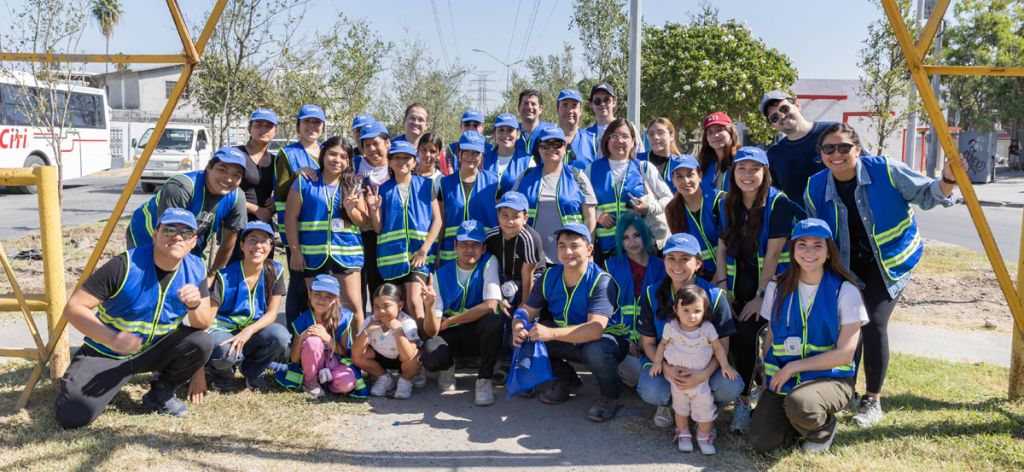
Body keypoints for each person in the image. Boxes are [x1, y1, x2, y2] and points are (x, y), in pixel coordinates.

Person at [804, 123, 960, 428]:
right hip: (846, 264)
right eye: (829, 149)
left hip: (888, 262)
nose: (837, 154)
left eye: (844, 147)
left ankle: (872, 400)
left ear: (858, 149)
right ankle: (843, 389)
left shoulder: (887, 170)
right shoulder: (814, 187)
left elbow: (928, 195)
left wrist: (948, 179)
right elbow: (818, 234)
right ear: (821, 154)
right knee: (847, 324)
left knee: (873, 323)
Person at [56, 208, 213, 428]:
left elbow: (203, 323)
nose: (177, 236)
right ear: (155, 235)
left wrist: (194, 305)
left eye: (186, 233)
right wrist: (112, 339)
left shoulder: (196, 267)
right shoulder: (124, 265)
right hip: (107, 352)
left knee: (202, 341)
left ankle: (161, 392)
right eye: (169, 229)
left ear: (193, 241)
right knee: (73, 417)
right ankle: (93, 379)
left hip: (153, 351)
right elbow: (73, 308)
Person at [748, 218, 867, 454]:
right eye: (802, 244)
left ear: (828, 251)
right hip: (784, 379)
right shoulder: (776, 287)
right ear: (792, 250)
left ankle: (823, 429)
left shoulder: (845, 290)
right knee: (762, 441)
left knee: (802, 403)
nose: (809, 252)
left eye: (817, 245)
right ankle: (798, 420)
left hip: (830, 379)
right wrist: (766, 380)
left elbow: (844, 355)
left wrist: (793, 368)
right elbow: (770, 336)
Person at [712, 146, 799, 434]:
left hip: (774, 284)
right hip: (739, 283)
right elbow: (722, 245)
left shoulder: (778, 204)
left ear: (765, 173)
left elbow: (773, 256)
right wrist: (723, 286)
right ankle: (726, 390)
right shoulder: (728, 203)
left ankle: (744, 401)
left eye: (754, 169)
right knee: (728, 326)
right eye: (741, 169)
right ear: (733, 172)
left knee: (749, 332)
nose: (747, 175)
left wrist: (761, 298)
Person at [622, 233, 744, 430]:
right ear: (664, 261)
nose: (677, 265)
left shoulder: (715, 296)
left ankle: (703, 412)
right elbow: (648, 343)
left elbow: (722, 346)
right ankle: (669, 406)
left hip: (704, 365)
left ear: (698, 263)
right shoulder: (652, 293)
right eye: (671, 258)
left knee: (730, 386)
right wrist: (667, 369)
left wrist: (703, 375)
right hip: (668, 364)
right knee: (652, 390)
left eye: (685, 259)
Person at [512, 223, 625, 422]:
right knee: (525, 335)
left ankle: (610, 395)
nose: (568, 251)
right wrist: (518, 325)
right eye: (562, 246)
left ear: (589, 250)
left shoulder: (601, 281)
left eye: (574, 246)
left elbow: (595, 330)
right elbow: (526, 311)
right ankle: (567, 380)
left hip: (607, 341)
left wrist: (551, 334)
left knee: (596, 350)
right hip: (568, 338)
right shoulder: (549, 276)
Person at [188, 221, 289, 402]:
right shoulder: (224, 276)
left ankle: (252, 372)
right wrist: (197, 371)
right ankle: (221, 375)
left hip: (250, 331)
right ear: (241, 245)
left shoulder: (275, 270)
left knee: (280, 335)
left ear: (270, 246)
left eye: (264, 241)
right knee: (226, 351)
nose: (258, 246)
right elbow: (204, 323)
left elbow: (272, 314)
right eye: (252, 240)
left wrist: (247, 332)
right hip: (222, 332)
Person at [284, 136, 368, 333]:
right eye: (332, 154)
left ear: (348, 162)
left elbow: (365, 223)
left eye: (343, 157)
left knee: (353, 306)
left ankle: (356, 355)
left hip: (347, 254)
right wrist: (295, 252)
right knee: (318, 308)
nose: (336, 160)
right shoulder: (304, 182)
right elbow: (290, 217)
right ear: (323, 155)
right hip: (313, 255)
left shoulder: (353, 185)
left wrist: (351, 209)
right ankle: (319, 353)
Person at [127, 146, 247, 276]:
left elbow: (229, 241)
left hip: (187, 236)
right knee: (149, 276)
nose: (229, 179)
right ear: (208, 167)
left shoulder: (236, 197)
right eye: (222, 170)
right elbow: (168, 233)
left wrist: (212, 275)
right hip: (148, 232)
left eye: (236, 174)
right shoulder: (182, 186)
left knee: (193, 280)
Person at [420, 220, 504, 406]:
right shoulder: (438, 276)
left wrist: (450, 321)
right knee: (430, 353)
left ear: (483, 248)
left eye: (475, 245)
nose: (469, 249)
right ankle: (448, 366)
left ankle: (484, 379)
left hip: (476, 332)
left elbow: (490, 305)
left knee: (495, 321)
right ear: (455, 246)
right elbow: (432, 331)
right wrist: (429, 306)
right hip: (452, 337)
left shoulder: (489, 262)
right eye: (464, 244)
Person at [650, 284, 738, 455]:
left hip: (700, 379)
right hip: (677, 378)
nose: (691, 316)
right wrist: (657, 363)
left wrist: (725, 365)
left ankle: (704, 435)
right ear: (676, 309)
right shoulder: (671, 327)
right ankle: (683, 433)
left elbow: (718, 348)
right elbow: (661, 345)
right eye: (686, 310)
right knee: (680, 408)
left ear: (704, 311)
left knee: (705, 407)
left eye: (697, 311)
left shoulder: (707, 329)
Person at [367, 140, 442, 333]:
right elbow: (378, 228)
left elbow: (437, 221)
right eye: (397, 157)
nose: (402, 161)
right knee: (394, 307)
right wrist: (374, 210)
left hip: (420, 256)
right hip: (391, 259)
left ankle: (424, 344)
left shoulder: (426, 185)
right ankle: (400, 348)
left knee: (414, 301)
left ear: (414, 161)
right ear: (390, 162)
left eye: (407, 157)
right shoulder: (382, 189)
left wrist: (424, 250)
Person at [588, 117, 673, 257]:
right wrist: (598, 216)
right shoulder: (591, 169)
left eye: (625, 136)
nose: (619, 141)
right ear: (606, 140)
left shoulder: (644, 167)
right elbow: (580, 203)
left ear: (633, 141)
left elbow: (669, 198)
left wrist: (649, 208)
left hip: (641, 249)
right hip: (607, 250)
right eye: (614, 136)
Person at [511, 126, 597, 265]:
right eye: (546, 144)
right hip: (532, 258)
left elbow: (590, 218)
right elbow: (512, 211)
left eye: (557, 144)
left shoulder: (578, 176)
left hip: (570, 257)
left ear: (565, 147)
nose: (551, 149)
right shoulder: (526, 176)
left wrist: (588, 251)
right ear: (539, 148)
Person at [274, 104, 326, 325]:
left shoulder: (327, 152)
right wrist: (297, 175)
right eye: (307, 122)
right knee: (298, 284)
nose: (312, 127)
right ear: (298, 126)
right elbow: (280, 192)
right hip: (297, 232)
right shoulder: (288, 153)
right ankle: (294, 334)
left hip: (321, 231)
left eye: (316, 122)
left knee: (320, 286)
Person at [762, 90, 853, 210]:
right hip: (804, 226)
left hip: (848, 219)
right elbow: (773, 195)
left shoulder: (834, 132)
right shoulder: (774, 154)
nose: (782, 116)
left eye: (784, 109)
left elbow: (864, 168)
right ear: (772, 125)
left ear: (797, 105)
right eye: (774, 117)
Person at [290, 274, 360, 398]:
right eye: (317, 295)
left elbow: (343, 352)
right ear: (310, 293)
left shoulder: (343, 318)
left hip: (335, 364)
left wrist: (327, 338)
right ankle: (310, 381)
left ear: (336, 299)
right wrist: (302, 337)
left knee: (347, 384)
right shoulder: (302, 320)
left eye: (328, 297)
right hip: (312, 365)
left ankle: (327, 381)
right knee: (313, 341)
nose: (321, 300)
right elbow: (294, 359)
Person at [352, 283, 424, 399]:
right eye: (376, 306)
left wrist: (398, 331)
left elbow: (408, 355)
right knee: (358, 356)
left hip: (402, 359)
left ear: (400, 305)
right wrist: (367, 331)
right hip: (381, 358)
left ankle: (406, 380)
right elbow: (355, 353)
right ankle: (384, 378)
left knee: (415, 354)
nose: (381, 311)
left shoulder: (407, 322)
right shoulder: (370, 322)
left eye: (386, 306)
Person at [601, 213, 665, 342]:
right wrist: (622, 338)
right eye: (625, 237)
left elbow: (663, 310)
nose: (632, 242)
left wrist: (647, 339)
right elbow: (604, 308)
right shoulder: (610, 267)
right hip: (619, 339)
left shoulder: (662, 268)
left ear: (645, 234)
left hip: (653, 339)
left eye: (637, 235)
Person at [438, 131, 500, 263]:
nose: (471, 156)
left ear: (481, 155)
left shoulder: (494, 183)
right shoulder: (445, 183)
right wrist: (436, 254)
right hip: (450, 256)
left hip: (484, 254)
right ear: (459, 153)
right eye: (466, 151)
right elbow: (440, 222)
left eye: (476, 152)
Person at [664, 155, 725, 281]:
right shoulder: (672, 210)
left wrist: (717, 281)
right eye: (679, 176)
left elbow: (729, 245)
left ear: (700, 175)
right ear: (673, 181)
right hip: (700, 274)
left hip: (730, 271)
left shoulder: (719, 201)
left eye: (690, 174)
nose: (685, 181)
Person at [354, 120, 393, 300]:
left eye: (376, 143)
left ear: (387, 143)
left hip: (390, 234)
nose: (371, 149)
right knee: (361, 288)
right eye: (367, 145)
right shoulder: (353, 165)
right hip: (363, 235)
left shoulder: (397, 165)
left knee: (388, 289)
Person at [237, 108, 279, 226]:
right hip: (236, 221)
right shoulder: (236, 155)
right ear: (249, 129)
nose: (263, 130)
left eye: (268, 126)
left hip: (264, 224)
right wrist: (256, 209)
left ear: (275, 131)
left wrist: (276, 202)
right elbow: (223, 191)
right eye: (258, 125)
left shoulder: (276, 161)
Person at [484, 113, 534, 197]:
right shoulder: (483, 159)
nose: (505, 134)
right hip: (484, 210)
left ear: (518, 134)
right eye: (501, 130)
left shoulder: (528, 162)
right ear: (494, 134)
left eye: (510, 130)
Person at [553, 88, 599, 170]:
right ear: (557, 108)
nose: (570, 110)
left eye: (574, 105)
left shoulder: (593, 141)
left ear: (581, 110)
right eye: (565, 105)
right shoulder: (545, 140)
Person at [697, 112, 739, 192]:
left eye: (719, 130)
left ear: (730, 132)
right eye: (710, 132)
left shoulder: (740, 161)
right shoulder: (703, 164)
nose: (715, 135)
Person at [638, 117, 683, 192]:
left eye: (660, 133)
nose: (656, 137)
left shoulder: (680, 163)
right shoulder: (637, 160)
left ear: (671, 135)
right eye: (651, 134)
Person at [515, 89, 553, 156]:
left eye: (533, 104)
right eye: (526, 103)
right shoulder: (511, 132)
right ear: (519, 108)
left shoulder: (550, 131)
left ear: (540, 109)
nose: (529, 107)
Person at [584, 82, 618, 150]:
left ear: (614, 102)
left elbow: (639, 158)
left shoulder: (627, 129)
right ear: (591, 104)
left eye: (606, 100)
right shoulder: (585, 134)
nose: (602, 104)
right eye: (597, 101)